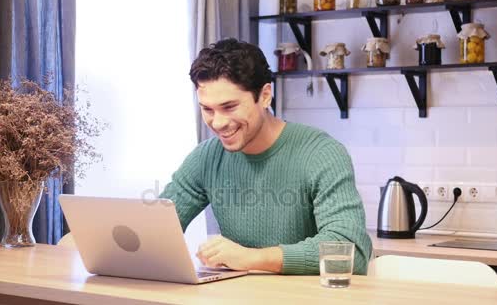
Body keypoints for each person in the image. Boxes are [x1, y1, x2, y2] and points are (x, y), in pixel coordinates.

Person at [159, 38, 372, 275]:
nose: (217, 123)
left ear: (265, 96)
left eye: (229, 107)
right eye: (207, 109)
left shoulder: (321, 153)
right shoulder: (206, 158)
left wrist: (252, 258)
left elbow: (350, 251)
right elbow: (156, 230)